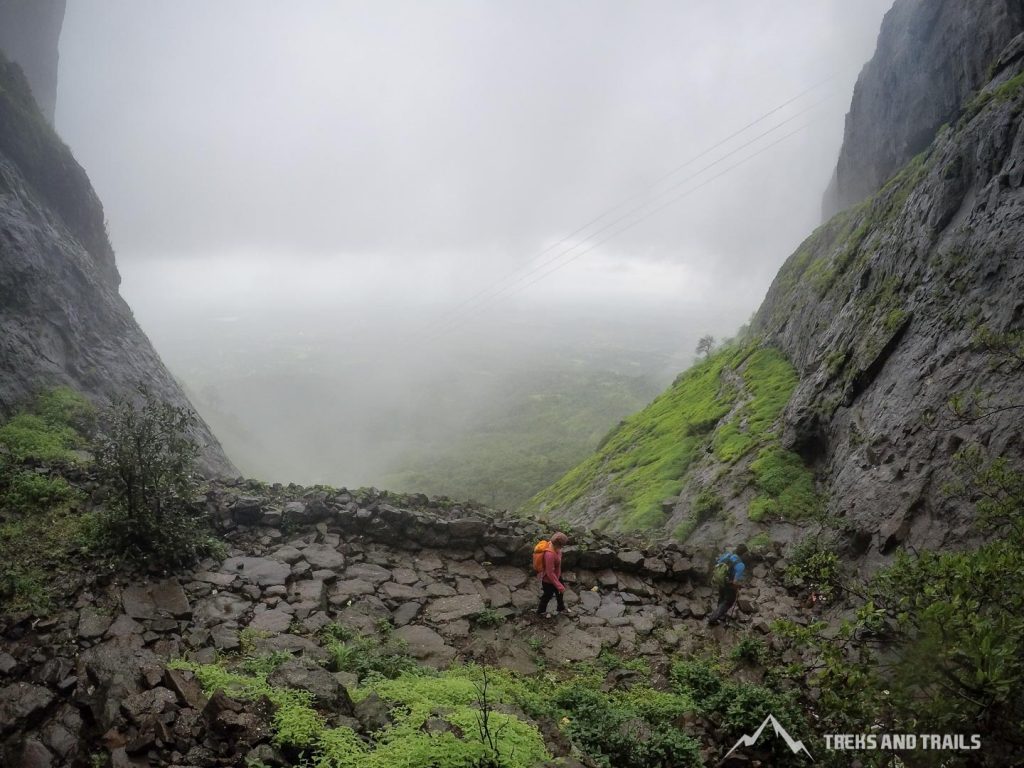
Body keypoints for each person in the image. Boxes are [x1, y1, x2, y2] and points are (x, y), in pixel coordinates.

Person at [707, 543, 748, 625]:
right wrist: (738, 587)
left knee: (722, 597)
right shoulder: (740, 565)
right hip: (729, 584)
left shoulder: (728, 555)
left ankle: (720, 615)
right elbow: (735, 582)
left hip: (721, 580)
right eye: (745, 554)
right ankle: (713, 618)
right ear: (743, 553)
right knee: (728, 601)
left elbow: (718, 562)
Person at [536, 531, 573, 618]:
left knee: (560, 593)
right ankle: (540, 611)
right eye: (562, 545)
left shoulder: (556, 548)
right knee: (547, 595)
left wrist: (559, 584)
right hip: (548, 580)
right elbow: (549, 573)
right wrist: (559, 586)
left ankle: (560, 608)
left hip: (557, 576)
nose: (563, 547)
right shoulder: (549, 555)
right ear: (558, 544)